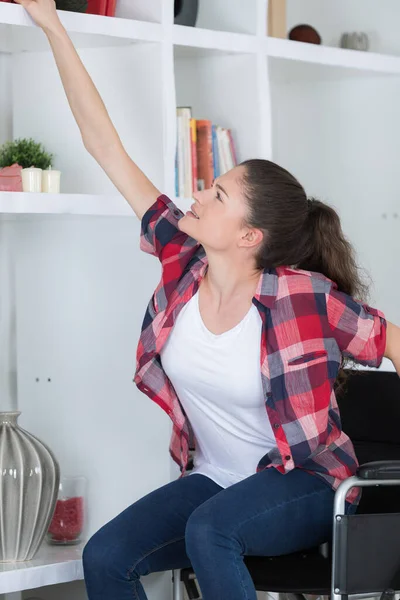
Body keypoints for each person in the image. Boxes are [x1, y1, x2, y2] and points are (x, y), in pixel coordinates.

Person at [15, 1, 400, 599]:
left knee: (211, 531)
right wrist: (53, 26)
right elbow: (104, 146)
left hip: (306, 483)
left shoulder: (305, 297)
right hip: (216, 480)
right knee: (107, 556)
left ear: (250, 237)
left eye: (217, 194)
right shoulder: (181, 260)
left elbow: (393, 341)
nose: (197, 194)